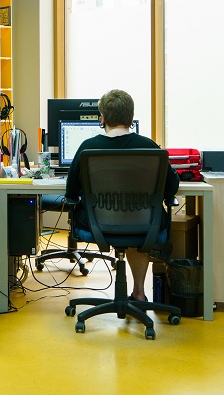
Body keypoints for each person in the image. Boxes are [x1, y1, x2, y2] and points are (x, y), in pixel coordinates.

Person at [64, 89, 179, 302]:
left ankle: (136, 293)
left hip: (97, 225)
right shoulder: (149, 147)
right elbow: (171, 187)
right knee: (139, 223)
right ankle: (139, 293)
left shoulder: (88, 148)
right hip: (144, 225)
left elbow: (70, 192)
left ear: (103, 118)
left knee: (131, 222)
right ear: (131, 117)